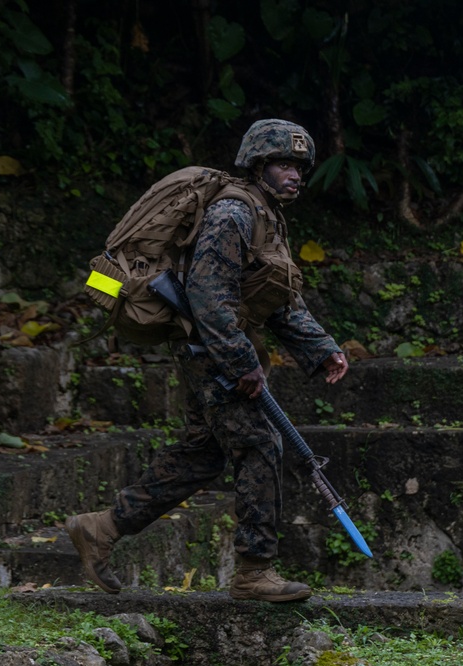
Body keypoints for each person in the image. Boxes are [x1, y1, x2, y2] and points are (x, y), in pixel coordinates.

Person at [65, 119, 348, 602]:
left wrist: (321, 349)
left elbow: (277, 297)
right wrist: (241, 362)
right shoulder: (233, 214)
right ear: (258, 165)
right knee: (260, 445)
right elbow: (208, 295)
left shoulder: (268, 215)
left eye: (300, 167)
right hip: (209, 351)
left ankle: (101, 529)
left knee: (202, 454)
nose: (294, 174)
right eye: (283, 164)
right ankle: (255, 571)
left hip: (216, 349)